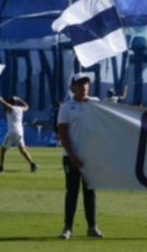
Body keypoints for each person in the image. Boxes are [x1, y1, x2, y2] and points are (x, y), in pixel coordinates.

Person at [57, 74, 102, 240]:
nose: (84, 86)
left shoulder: (95, 103)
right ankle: (67, 227)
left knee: (90, 192)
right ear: (72, 87)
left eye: (86, 83)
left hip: (90, 156)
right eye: (80, 84)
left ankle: (92, 226)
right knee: (72, 192)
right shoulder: (66, 107)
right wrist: (72, 155)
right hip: (71, 156)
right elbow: (63, 133)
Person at [0, 91, 38, 173]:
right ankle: (32, 163)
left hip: (12, 131)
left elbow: (1, 101)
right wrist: (19, 99)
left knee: (3, 149)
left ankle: (1, 167)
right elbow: (27, 106)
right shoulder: (20, 109)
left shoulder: (11, 108)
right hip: (20, 131)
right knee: (22, 150)